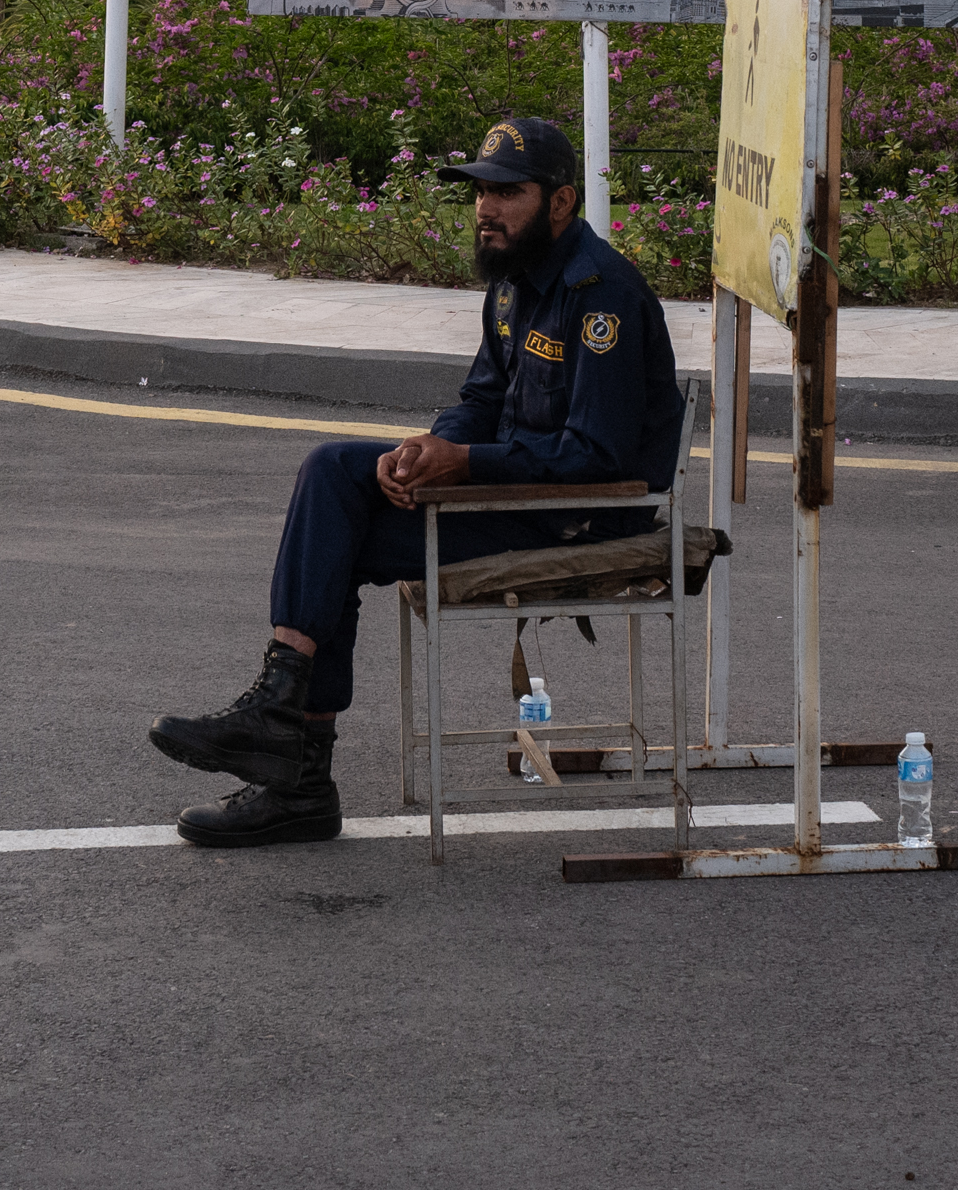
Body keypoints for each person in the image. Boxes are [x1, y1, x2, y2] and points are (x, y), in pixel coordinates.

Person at [144, 115, 681, 847]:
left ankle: (293, 761)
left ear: (561, 203)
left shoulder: (602, 295)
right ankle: (287, 738)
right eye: (479, 192)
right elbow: (482, 401)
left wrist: (466, 465)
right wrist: (428, 450)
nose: (487, 209)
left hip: (577, 515)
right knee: (340, 475)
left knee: (338, 502)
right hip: (518, 495)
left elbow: (596, 457)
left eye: (508, 192)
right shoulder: (513, 285)